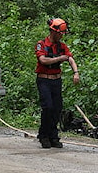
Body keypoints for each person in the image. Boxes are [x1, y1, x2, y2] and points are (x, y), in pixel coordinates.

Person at [34, 17, 80, 149]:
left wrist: (75, 72)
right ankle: (43, 136)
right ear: (53, 31)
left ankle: (53, 136)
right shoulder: (41, 44)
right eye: (60, 33)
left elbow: (70, 58)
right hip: (44, 80)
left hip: (56, 80)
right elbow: (43, 60)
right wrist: (60, 58)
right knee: (47, 107)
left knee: (56, 108)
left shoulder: (62, 46)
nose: (61, 36)